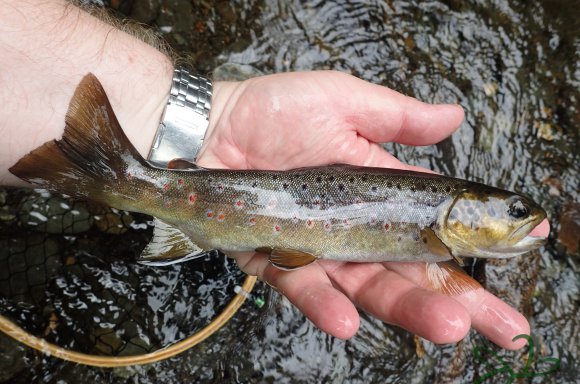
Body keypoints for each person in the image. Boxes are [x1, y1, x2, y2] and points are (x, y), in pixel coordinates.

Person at [0, 0, 548, 349]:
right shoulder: (439, 240)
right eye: (514, 213)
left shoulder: (441, 237)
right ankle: (99, 171)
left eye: (516, 213)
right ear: (467, 211)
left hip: (212, 195)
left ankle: (97, 171)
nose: (524, 221)